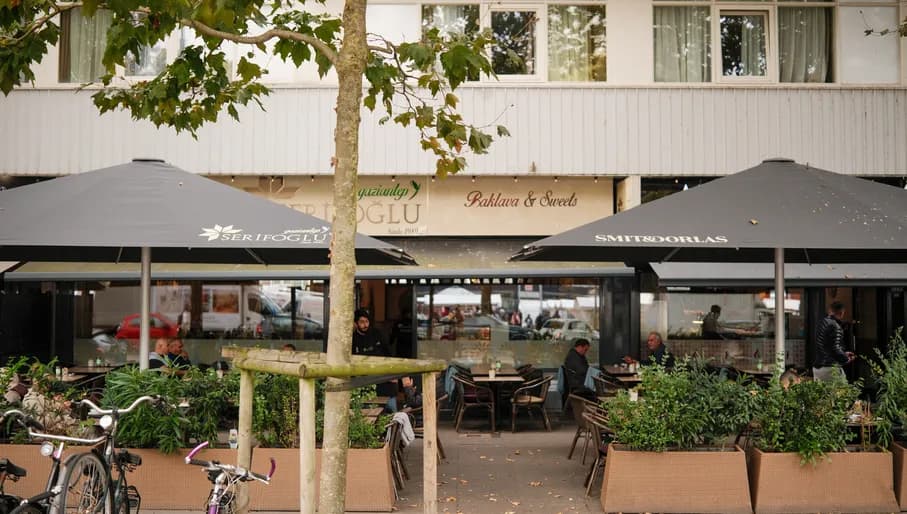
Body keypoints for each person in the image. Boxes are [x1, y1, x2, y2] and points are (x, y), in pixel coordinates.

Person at [812, 301, 854, 382]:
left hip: (818, 367)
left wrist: (843, 353)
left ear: (830, 311)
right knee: (843, 393)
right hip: (830, 368)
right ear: (842, 313)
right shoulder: (835, 325)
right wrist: (845, 358)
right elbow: (835, 348)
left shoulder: (820, 323)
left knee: (823, 394)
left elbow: (827, 346)